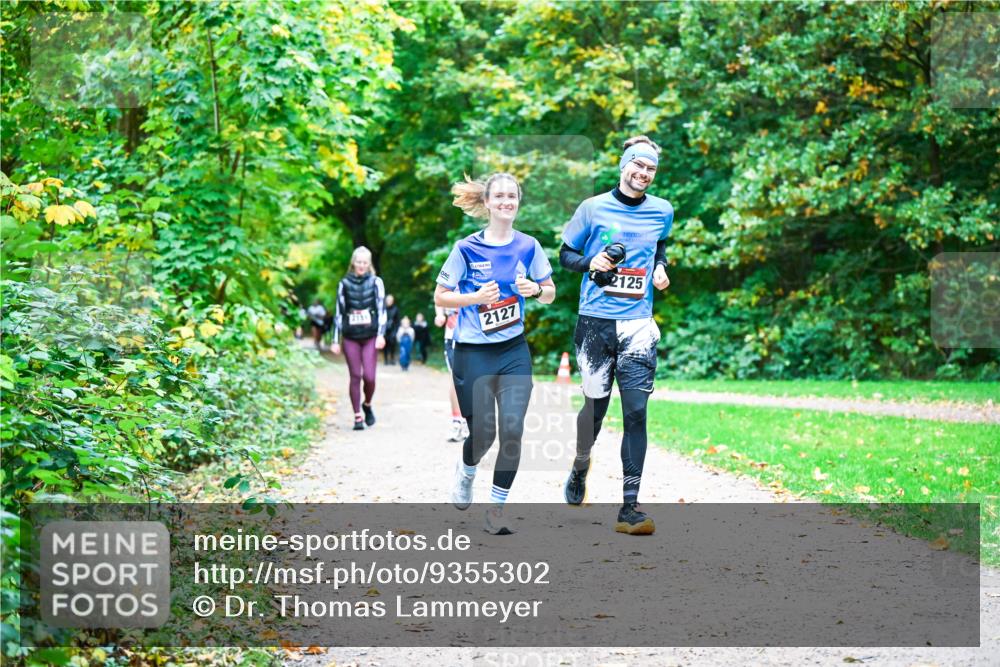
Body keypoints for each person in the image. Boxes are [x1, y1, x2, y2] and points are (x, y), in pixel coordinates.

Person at [559, 135, 673, 535]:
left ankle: (630, 508)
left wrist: (660, 268)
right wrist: (593, 262)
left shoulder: (662, 210)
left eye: (650, 169)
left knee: (637, 413)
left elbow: (660, 246)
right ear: (624, 165)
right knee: (595, 410)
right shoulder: (592, 208)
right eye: (638, 166)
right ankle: (580, 463)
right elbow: (566, 255)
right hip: (595, 323)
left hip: (639, 325)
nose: (643, 174)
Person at [435, 172, 556, 535]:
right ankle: (467, 470)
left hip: (513, 350)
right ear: (486, 203)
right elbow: (441, 296)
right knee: (484, 434)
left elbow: (550, 292)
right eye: (499, 196)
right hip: (472, 352)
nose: (506, 201)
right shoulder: (466, 248)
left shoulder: (529, 246)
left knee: (514, 429)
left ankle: (497, 510)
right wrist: (474, 298)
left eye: (512, 196)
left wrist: (534, 289)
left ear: (518, 202)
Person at [331, 246, 387, 431]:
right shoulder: (344, 283)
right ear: (353, 263)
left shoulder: (376, 282)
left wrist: (381, 334)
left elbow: (381, 310)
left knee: (369, 377)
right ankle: (357, 417)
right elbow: (339, 312)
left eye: (365, 262)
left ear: (369, 264)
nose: (361, 265)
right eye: (358, 262)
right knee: (355, 375)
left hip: (370, 336)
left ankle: (367, 404)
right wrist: (334, 339)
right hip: (351, 337)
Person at [435, 305, 468, 442]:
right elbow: (439, 297)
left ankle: (469, 422)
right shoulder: (448, 282)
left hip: (476, 334)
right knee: (456, 378)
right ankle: (457, 422)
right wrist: (440, 314)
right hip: (453, 334)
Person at [383, 294, 400, 365]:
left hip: (393, 329)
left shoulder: (396, 309)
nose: (389, 301)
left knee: (392, 345)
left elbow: (397, 321)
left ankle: (392, 359)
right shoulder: (383, 308)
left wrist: (396, 331)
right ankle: (386, 359)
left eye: (391, 300)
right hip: (384, 329)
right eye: (388, 300)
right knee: (385, 345)